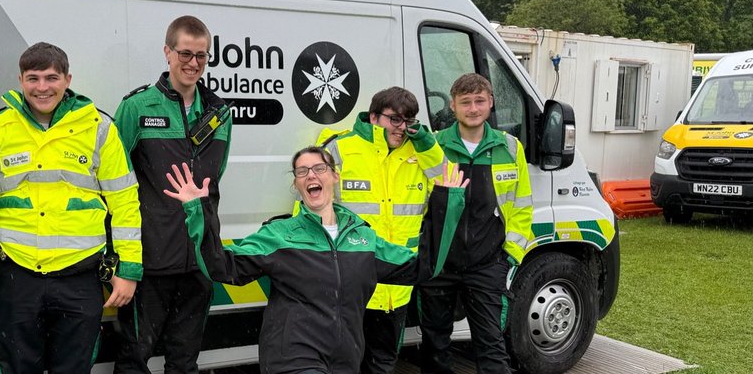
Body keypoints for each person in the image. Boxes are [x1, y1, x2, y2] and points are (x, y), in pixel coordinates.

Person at [164, 147, 465, 374]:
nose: (311, 175)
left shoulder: (363, 238)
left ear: (335, 176)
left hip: (345, 358)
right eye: (301, 171)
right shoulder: (279, 234)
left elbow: (422, 268)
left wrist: (445, 206)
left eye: (319, 168)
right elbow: (222, 266)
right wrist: (198, 211)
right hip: (292, 357)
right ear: (297, 185)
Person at [0, 42, 142, 374]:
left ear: (67, 79)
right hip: (15, 277)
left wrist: (128, 270)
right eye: (33, 78)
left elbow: (125, 202)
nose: (42, 88)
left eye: (51, 78)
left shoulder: (98, 128)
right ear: (20, 80)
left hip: (79, 278)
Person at [113, 17, 231, 374]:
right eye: (185, 53)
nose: (193, 63)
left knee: (185, 362)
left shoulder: (219, 114)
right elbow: (115, 183)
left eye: (202, 56)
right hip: (150, 262)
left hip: (200, 261)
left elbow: (214, 180)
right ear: (167, 52)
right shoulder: (137, 108)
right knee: (133, 360)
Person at [317, 88, 447, 374]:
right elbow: (313, 208)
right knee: (343, 362)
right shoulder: (340, 148)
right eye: (395, 120)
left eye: (409, 121)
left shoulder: (420, 152)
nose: (403, 128)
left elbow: (447, 181)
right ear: (374, 117)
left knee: (383, 362)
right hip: (350, 283)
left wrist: (425, 139)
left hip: (395, 287)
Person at [419, 74, 533, 374]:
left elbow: (522, 207)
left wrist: (509, 257)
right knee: (434, 346)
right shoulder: (434, 146)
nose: (473, 108)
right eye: (465, 102)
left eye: (479, 101)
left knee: (491, 344)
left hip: (487, 265)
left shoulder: (510, 147)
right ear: (453, 106)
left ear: (490, 103)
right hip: (439, 266)